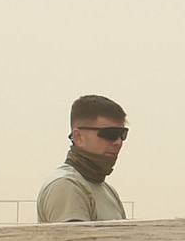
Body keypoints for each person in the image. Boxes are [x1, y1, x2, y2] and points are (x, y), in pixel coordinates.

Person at [38, 95, 129, 223]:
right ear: (78, 137)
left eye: (122, 134)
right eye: (110, 134)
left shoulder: (108, 191)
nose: (118, 142)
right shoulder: (66, 185)